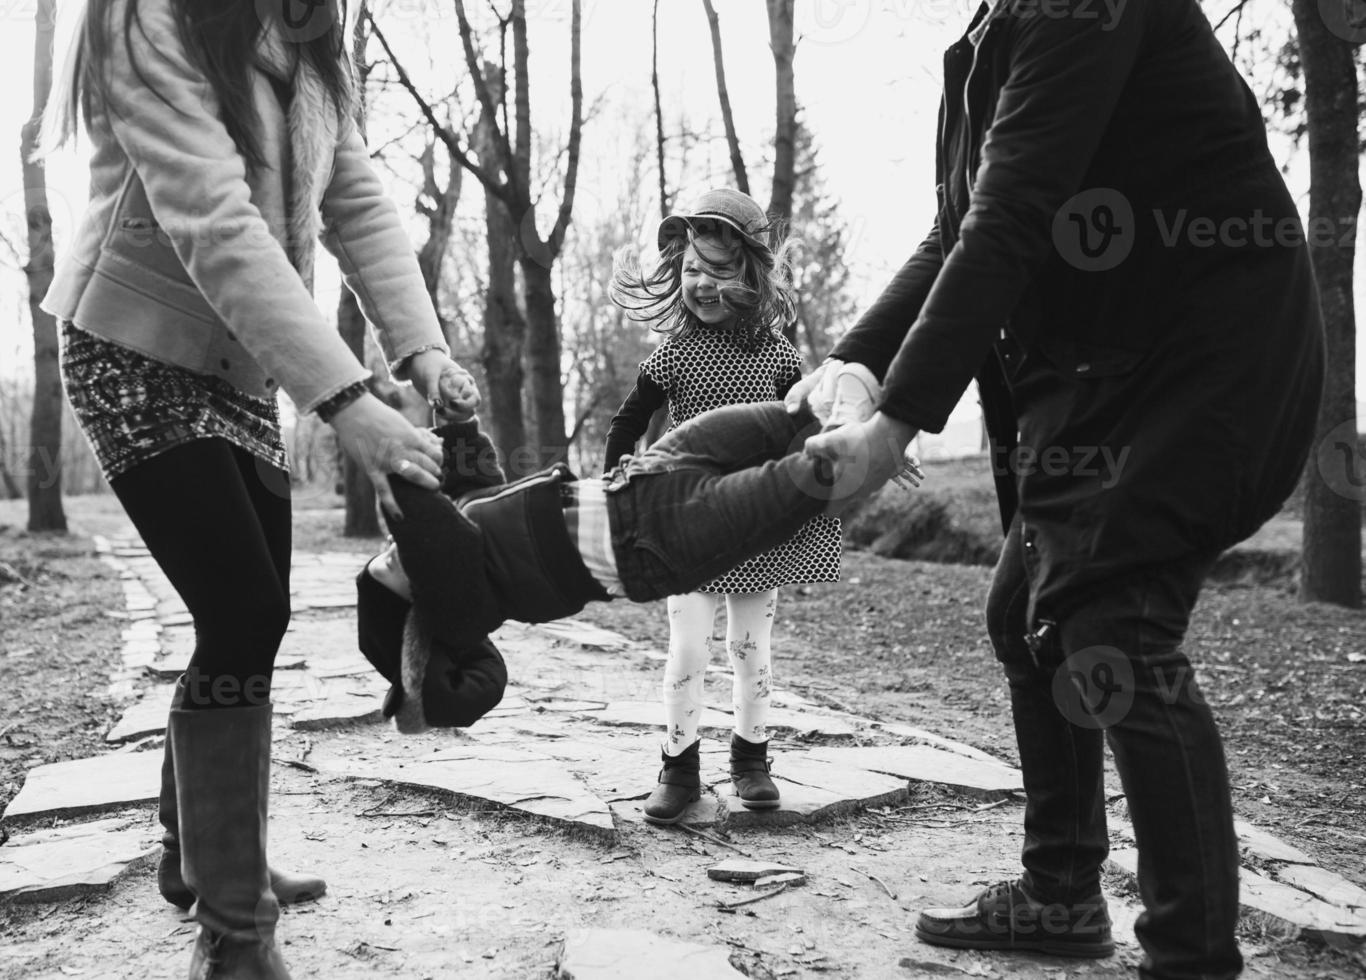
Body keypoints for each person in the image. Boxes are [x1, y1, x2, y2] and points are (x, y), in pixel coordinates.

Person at [788, 3, 1325, 978]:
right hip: (1114, 377)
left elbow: (1014, 215)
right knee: (1023, 613)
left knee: (1113, 629)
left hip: (1205, 362)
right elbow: (960, 227)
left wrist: (898, 422)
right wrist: (855, 361)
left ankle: (1188, 954)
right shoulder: (1001, 26)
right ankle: (1062, 893)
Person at [41, 1, 479, 977]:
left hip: (243, 368)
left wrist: (424, 347)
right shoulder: (148, 19)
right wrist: (349, 399)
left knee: (249, 615)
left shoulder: (313, 38)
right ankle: (235, 929)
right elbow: (215, 220)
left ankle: (195, 853)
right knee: (240, 606)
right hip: (133, 346)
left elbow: (354, 196)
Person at [354, 398, 919, 734]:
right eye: (395, 567)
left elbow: (474, 481)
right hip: (662, 541)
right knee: (809, 476)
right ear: (419, 620)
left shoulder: (457, 535)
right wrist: (393, 466)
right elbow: (432, 536)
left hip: (649, 471)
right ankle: (903, 416)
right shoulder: (462, 604)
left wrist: (456, 418)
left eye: (385, 549)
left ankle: (865, 394)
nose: (396, 549)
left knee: (799, 410)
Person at [602, 188, 844, 824]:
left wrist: (863, 450)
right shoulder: (674, 354)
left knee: (749, 647)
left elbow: (806, 429)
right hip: (685, 525)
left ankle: (751, 758)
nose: (701, 284)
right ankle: (678, 767)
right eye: (690, 270)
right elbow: (624, 427)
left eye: (718, 270)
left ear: (752, 275)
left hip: (756, 527)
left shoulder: (780, 356)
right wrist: (619, 497)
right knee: (687, 649)